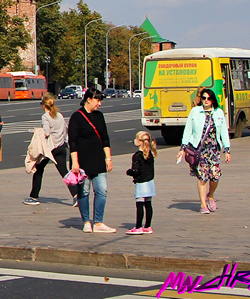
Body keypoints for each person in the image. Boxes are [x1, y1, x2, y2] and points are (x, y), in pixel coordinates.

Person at [177, 87, 231, 214]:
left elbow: (224, 132)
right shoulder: (195, 111)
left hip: (214, 150)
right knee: (202, 177)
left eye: (209, 98)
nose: (206, 100)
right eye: (204, 98)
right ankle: (203, 205)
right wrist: (182, 148)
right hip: (199, 150)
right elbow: (188, 130)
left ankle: (210, 195)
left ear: (213, 100)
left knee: (215, 176)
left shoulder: (218, 113)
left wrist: (227, 150)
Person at [69, 88, 115, 232]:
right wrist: (75, 162)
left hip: (98, 159)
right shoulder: (76, 117)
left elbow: (105, 138)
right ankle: (86, 222)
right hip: (82, 160)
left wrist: (108, 158)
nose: (99, 104)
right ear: (88, 99)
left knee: (102, 190)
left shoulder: (99, 116)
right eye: (98, 100)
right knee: (84, 191)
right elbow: (73, 142)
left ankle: (99, 222)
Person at [24, 92, 79, 206]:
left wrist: (37, 131)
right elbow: (65, 129)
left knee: (38, 170)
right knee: (64, 172)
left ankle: (34, 196)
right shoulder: (59, 115)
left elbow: (47, 132)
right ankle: (76, 195)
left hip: (50, 149)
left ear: (44, 105)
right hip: (61, 146)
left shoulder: (45, 117)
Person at [126, 130, 157, 234]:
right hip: (150, 182)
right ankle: (147, 226)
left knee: (139, 204)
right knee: (148, 204)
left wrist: (129, 172)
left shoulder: (137, 156)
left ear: (139, 142)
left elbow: (136, 171)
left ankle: (138, 226)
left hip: (141, 183)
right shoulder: (150, 154)